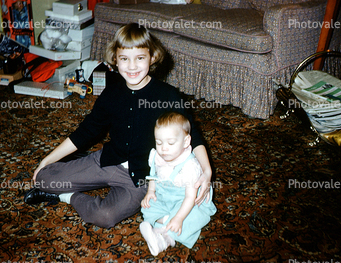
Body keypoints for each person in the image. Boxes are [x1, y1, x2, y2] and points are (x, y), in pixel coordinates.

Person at [24, 23, 213, 228]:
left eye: (140, 58)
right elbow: (87, 131)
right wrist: (47, 159)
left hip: (141, 177)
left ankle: (68, 196)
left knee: (104, 217)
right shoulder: (111, 94)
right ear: (115, 59)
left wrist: (207, 171)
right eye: (124, 59)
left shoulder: (168, 96)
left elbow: (193, 135)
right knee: (43, 179)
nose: (132, 67)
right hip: (108, 160)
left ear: (152, 57)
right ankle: (78, 164)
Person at [140, 112, 217, 256]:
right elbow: (153, 175)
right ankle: (161, 226)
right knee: (148, 207)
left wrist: (179, 218)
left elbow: (189, 198)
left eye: (170, 143)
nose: (163, 148)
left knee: (187, 219)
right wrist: (150, 192)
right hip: (165, 196)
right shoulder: (158, 155)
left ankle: (165, 240)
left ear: (186, 142)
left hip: (188, 200)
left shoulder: (190, 166)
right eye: (159, 142)